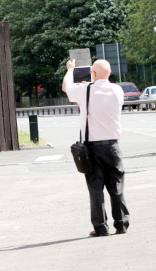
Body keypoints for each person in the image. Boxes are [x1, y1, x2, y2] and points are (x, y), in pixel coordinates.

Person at [62, 59, 130, 237]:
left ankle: (101, 227)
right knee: (116, 187)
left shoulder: (85, 90)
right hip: (113, 146)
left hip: (92, 148)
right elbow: (100, 91)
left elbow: (66, 87)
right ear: (109, 73)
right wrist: (92, 83)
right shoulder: (118, 90)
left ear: (93, 73)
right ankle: (121, 224)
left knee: (96, 188)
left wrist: (70, 70)